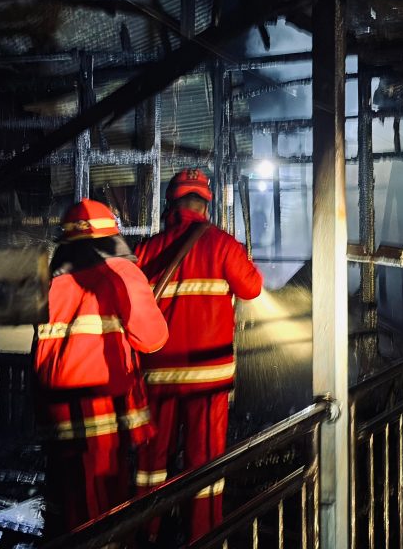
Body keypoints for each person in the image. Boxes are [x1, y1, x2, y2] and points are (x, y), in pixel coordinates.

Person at [134, 169, 263, 543]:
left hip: (157, 377)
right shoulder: (221, 244)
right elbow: (252, 288)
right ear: (206, 204)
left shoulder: (149, 249)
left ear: (171, 204)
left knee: (150, 467)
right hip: (208, 378)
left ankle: (145, 533)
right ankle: (201, 537)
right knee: (205, 465)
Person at [33, 198, 169, 538]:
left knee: (68, 511)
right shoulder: (121, 273)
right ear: (112, 237)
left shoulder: (48, 281)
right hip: (104, 414)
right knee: (105, 515)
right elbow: (152, 339)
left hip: (58, 416)